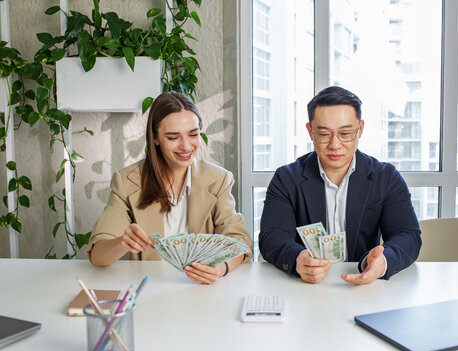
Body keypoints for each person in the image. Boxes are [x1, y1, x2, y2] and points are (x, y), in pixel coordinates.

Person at [259, 86, 421, 285]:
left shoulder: (385, 177)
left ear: (360, 129)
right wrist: (298, 259)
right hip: (304, 286)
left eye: (345, 133)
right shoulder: (286, 178)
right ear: (310, 132)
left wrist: (383, 261)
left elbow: (408, 235)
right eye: (324, 134)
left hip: (364, 287)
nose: (335, 145)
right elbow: (271, 236)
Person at [87, 91, 253, 284]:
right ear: (155, 138)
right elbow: (98, 257)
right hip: (151, 288)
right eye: (173, 137)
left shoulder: (218, 179)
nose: (186, 146)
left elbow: (240, 241)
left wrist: (220, 268)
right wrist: (122, 242)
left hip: (200, 289)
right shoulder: (127, 181)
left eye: (193, 134)